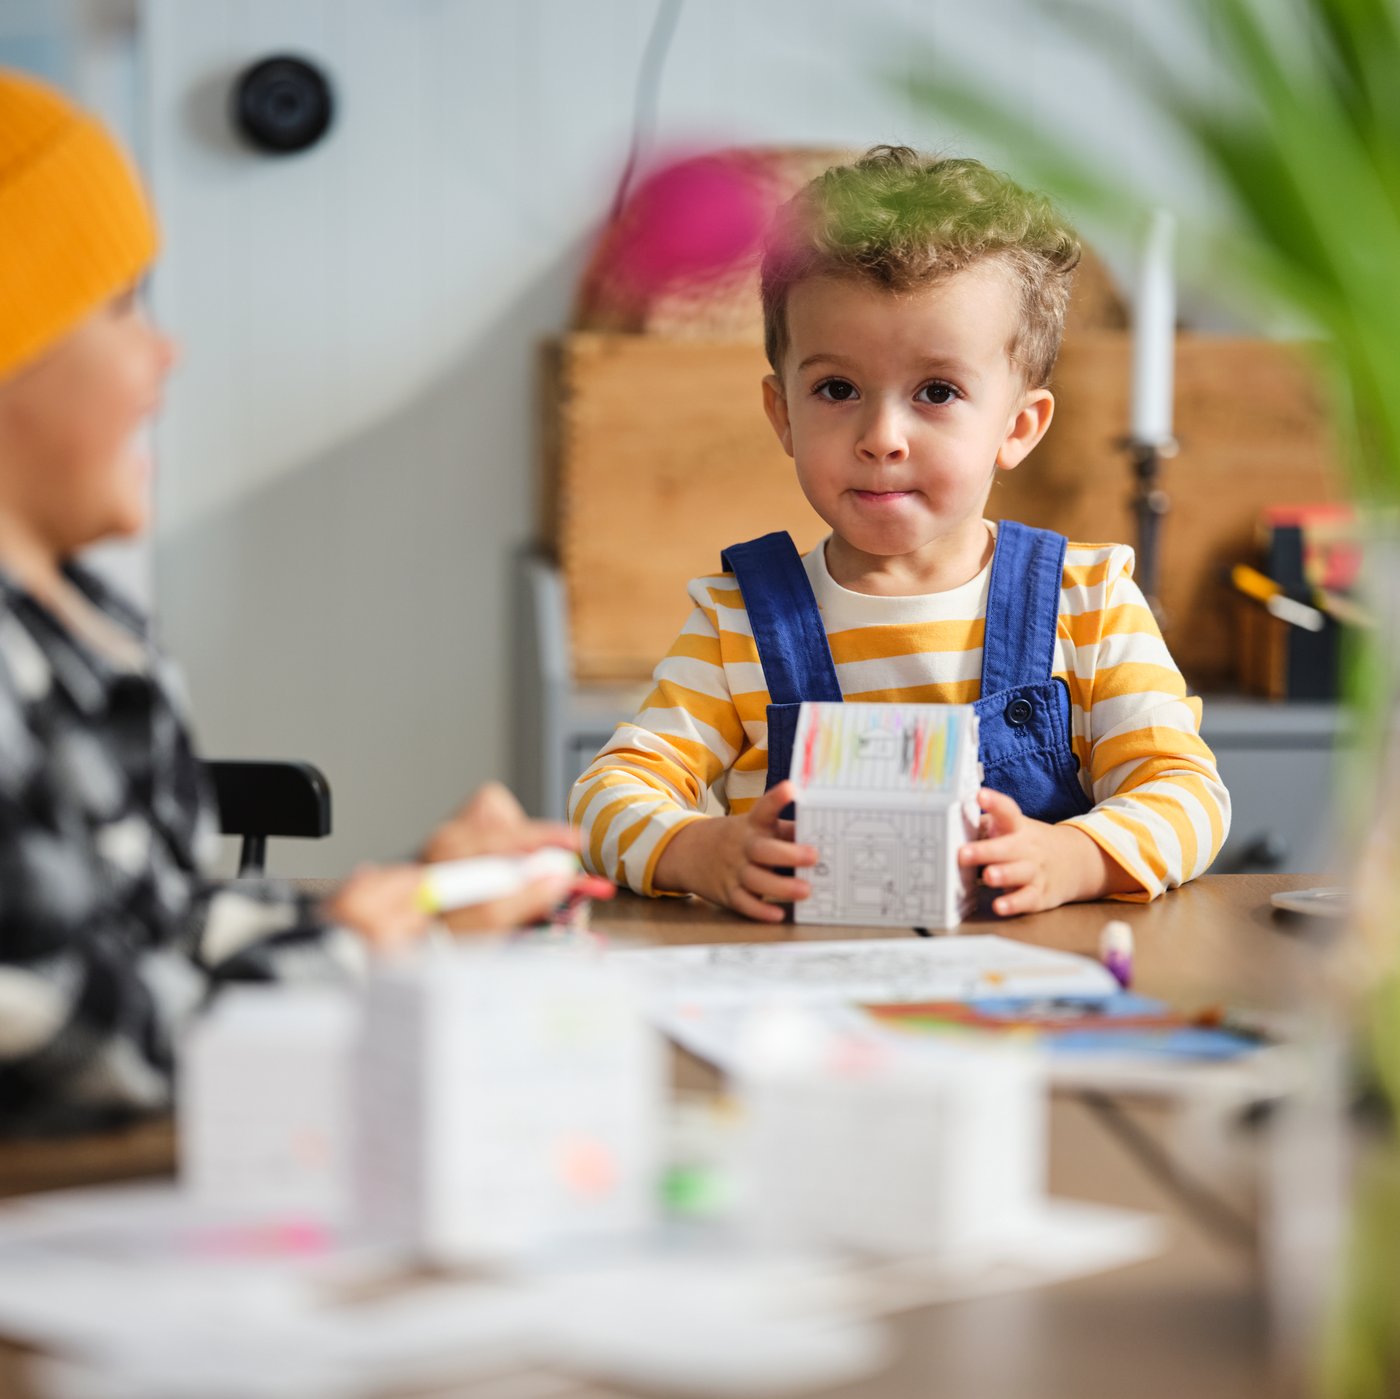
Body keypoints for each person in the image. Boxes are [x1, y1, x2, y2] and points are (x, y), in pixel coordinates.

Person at [0, 69, 581, 1134]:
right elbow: (70, 1033)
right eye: (125, 306)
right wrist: (353, 954)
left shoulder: (88, 627)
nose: (163, 352)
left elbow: (160, 930)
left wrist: (414, 902)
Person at [571, 146, 1230, 922]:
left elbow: (1187, 795)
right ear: (783, 413)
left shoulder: (1087, 605)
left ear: (1018, 427)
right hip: (806, 1006)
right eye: (837, 389)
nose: (882, 435)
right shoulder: (738, 625)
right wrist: (697, 849)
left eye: (938, 391)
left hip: (1025, 1009)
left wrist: (1075, 856)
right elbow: (604, 798)